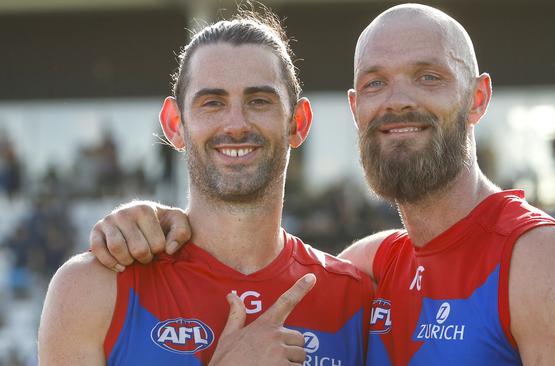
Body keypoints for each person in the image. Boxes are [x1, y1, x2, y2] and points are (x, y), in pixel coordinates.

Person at [88, 3, 555, 365]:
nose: (398, 100)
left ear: (478, 98)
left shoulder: (536, 261)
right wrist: (155, 220)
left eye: (429, 77)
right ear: (355, 108)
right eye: (375, 83)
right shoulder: (373, 268)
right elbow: (249, 255)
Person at [38, 8, 373, 366]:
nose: (236, 124)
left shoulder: (354, 299)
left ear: (298, 123)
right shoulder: (92, 288)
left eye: (259, 101)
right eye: (212, 103)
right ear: (174, 125)